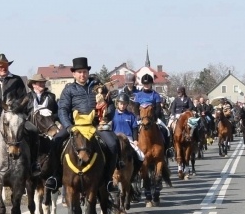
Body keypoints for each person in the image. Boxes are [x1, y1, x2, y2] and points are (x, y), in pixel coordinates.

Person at [44, 57, 121, 193]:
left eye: (84, 72)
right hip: (75, 126)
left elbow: (110, 106)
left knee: (113, 143)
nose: (82, 75)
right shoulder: (69, 90)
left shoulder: (99, 88)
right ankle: (55, 176)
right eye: (79, 72)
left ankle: (108, 179)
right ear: (74, 74)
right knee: (55, 142)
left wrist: (106, 116)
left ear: (88, 72)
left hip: (96, 126)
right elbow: (62, 109)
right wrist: (68, 126)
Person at [134, 74, 169, 148]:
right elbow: (136, 107)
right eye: (145, 84)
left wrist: (154, 117)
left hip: (153, 118)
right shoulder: (138, 95)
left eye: (148, 84)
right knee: (133, 130)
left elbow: (158, 108)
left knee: (165, 130)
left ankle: (167, 150)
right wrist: (138, 116)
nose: (146, 85)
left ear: (151, 84)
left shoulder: (155, 95)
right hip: (141, 118)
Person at [112, 93, 144, 170]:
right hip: (115, 138)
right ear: (117, 103)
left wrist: (135, 140)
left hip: (128, 138)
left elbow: (134, 128)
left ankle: (135, 172)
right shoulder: (113, 114)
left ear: (127, 105)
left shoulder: (131, 115)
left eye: (124, 104)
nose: (122, 106)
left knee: (141, 156)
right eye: (121, 104)